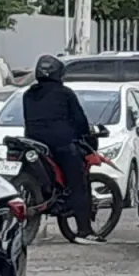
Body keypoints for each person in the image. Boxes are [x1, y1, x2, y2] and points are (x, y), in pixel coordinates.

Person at [22, 54, 101, 243]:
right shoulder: (65, 93)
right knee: (78, 183)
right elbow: (80, 120)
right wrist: (85, 133)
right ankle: (84, 231)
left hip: (33, 143)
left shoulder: (29, 94)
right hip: (61, 145)